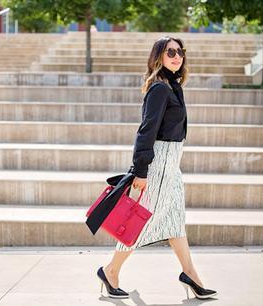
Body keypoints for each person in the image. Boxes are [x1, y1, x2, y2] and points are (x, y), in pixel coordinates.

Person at [96, 36, 218, 300]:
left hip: (172, 165)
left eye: (180, 51)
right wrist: (141, 171)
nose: (177, 56)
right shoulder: (160, 89)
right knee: (140, 221)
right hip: (159, 163)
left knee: (175, 222)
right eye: (170, 51)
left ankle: (191, 275)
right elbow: (146, 130)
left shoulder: (173, 86)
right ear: (159, 56)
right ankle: (111, 270)